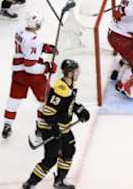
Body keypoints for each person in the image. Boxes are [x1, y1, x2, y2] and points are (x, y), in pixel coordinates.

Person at [22, 59, 90, 189]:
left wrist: (80, 110)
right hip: (51, 128)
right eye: (76, 71)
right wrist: (54, 129)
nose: (78, 73)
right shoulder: (61, 88)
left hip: (62, 128)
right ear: (70, 73)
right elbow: (48, 112)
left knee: (68, 151)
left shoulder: (69, 85)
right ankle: (30, 184)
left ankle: (59, 181)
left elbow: (67, 103)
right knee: (51, 158)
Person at [2, 11, 58, 138]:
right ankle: (41, 128)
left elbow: (25, 47)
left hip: (17, 72)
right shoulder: (35, 40)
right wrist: (47, 67)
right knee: (46, 100)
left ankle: (7, 125)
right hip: (33, 76)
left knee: (13, 100)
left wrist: (44, 47)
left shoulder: (19, 31)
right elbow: (30, 66)